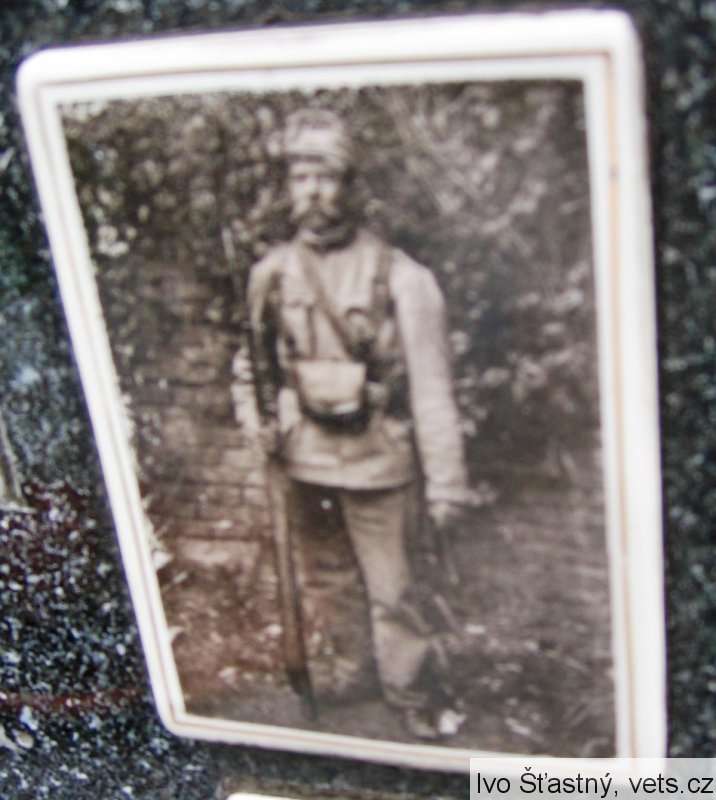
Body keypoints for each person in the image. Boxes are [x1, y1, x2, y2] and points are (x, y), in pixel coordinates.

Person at [246, 109, 472, 739]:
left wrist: (447, 484)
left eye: (327, 177)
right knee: (326, 579)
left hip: (378, 460)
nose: (313, 192)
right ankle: (354, 672)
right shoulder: (271, 273)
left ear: (351, 185)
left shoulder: (403, 277)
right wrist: (258, 422)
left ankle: (411, 691)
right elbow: (252, 365)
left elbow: (431, 389)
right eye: (301, 178)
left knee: (395, 589)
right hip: (304, 459)